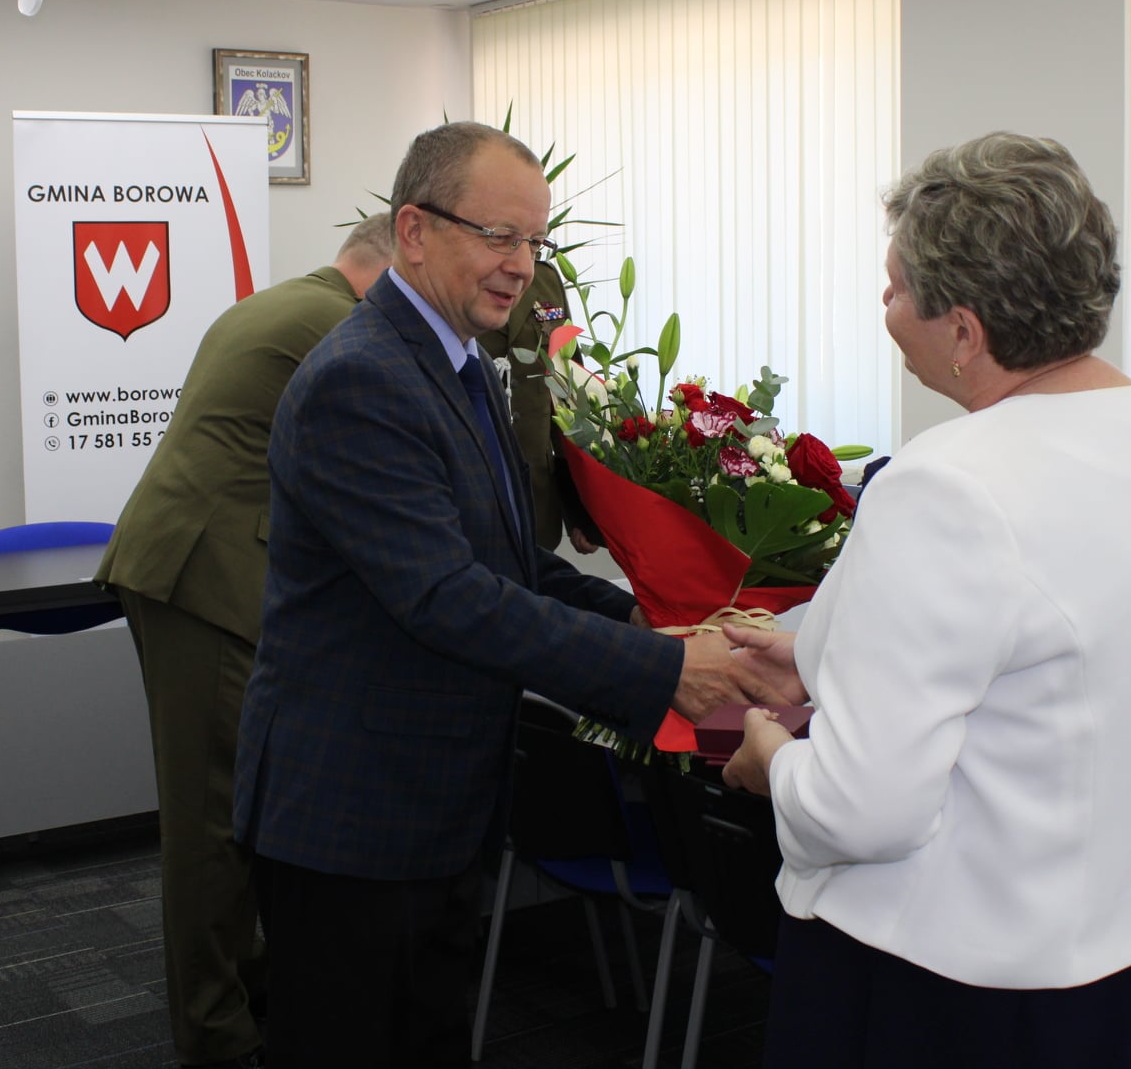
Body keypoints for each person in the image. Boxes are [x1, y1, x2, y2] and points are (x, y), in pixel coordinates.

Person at [232, 121, 782, 1067]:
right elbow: (447, 598)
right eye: (498, 236)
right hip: (352, 822)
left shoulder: (457, 363)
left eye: (536, 241)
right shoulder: (360, 381)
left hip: (439, 806)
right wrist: (660, 670)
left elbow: (514, 568)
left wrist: (663, 625)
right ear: (413, 230)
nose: (522, 265)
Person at [722, 132, 1131, 1069]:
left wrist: (770, 762)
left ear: (964, 331)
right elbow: (1051, 658)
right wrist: (820, 654)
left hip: (946, 986)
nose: (883, 306)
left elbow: (858, 810)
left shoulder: (949, 482)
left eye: (895, 287)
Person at [94, 214, 395, 1069]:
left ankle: (247, 979)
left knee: (240, 803)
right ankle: (214, 1034)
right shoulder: (340, 323)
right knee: (211, 821)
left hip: (192, 566)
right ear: (382, 269)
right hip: (207, 579)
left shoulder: (287, 302)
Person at [477, 256, 596, 553]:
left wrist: (578, 509)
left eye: (536, 240)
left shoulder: (544, 278)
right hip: (475, 496)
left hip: (536, 498)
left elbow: (566, 395)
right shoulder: (453, 277)